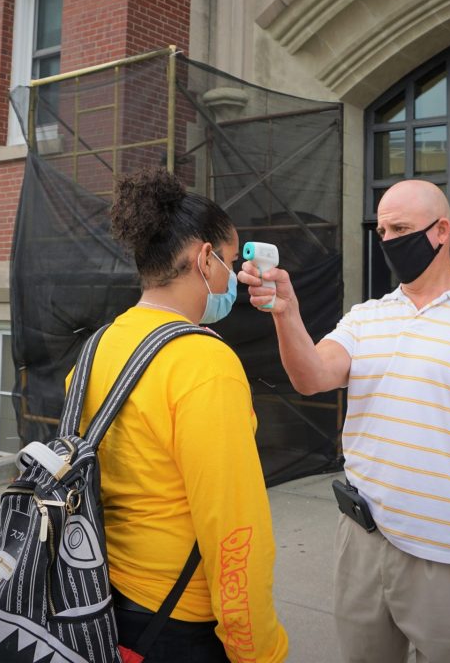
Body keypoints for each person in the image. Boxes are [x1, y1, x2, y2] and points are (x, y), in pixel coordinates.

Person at [240, 179, 450, 663]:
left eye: (402, 228)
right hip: (363, 544)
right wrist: (286, 314)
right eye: (384, 229)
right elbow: (312, 377)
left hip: (449, 557)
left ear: (442, 231)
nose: (389, 240)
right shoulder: (366, 318)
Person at [72, 167, 288, 662]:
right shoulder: (205, 364)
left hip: (100, 595)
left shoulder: (100, 344)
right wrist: (260, 651)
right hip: (177, 620)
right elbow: (234, 528)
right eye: (232, 263)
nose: (235, 277)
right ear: (204, 258)